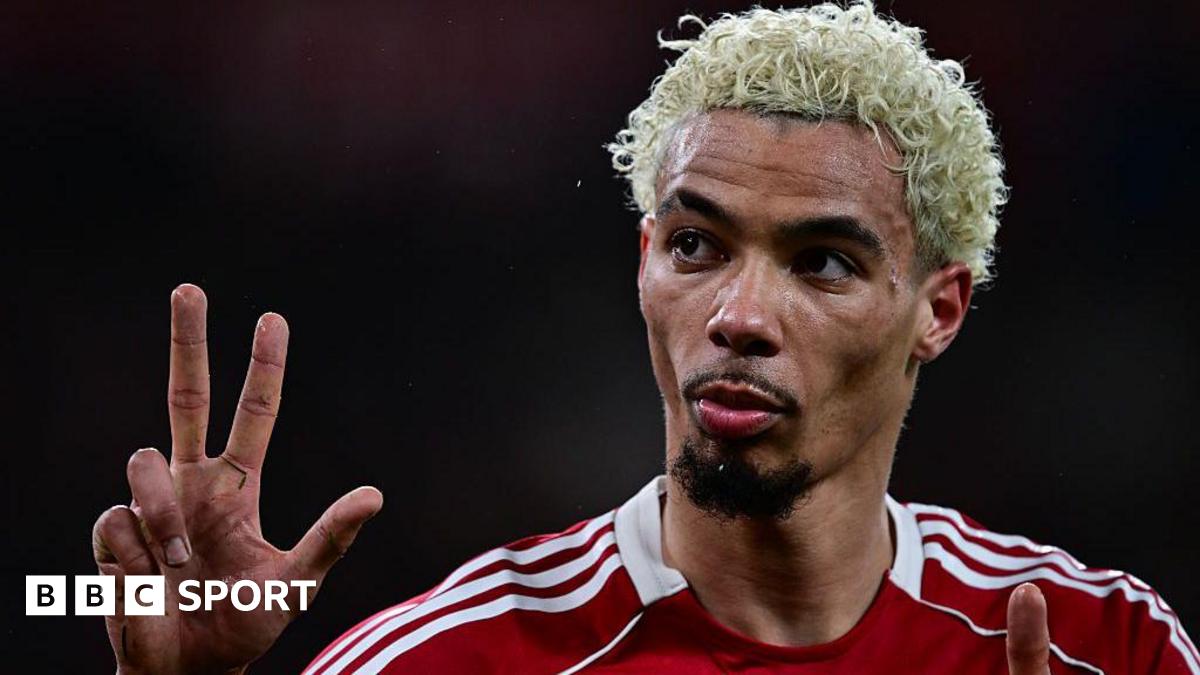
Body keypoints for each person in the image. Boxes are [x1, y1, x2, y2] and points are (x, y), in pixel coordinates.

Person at [90, 2, 1196, 673]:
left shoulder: (1105, 645)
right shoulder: (445, 662)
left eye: (822, 262)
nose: (739, 318)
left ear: (939, 311)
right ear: (642, 264)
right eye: (697, 246)